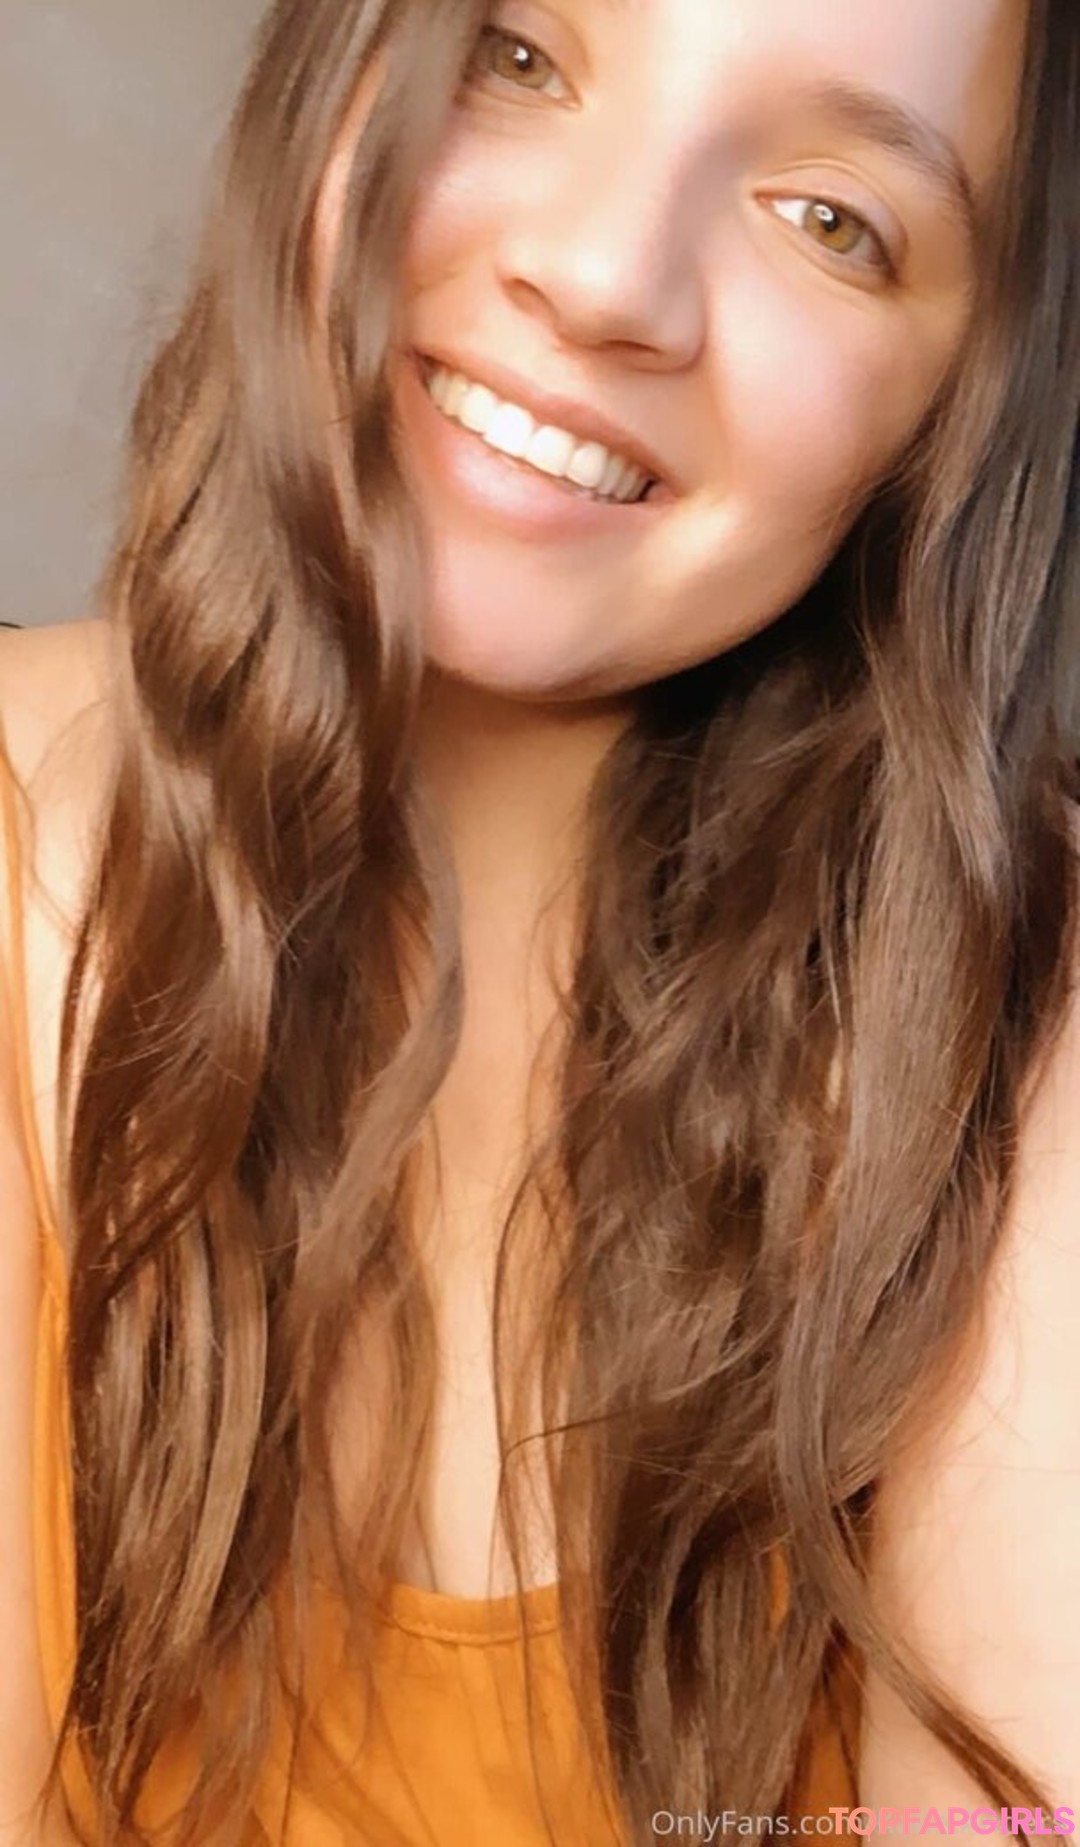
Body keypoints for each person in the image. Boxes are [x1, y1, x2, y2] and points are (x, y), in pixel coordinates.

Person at [0, 0, 1077, 1841]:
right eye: (517, 55)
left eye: (833, 220)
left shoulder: (1024, 1029)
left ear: (955, 410)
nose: (604, 279)